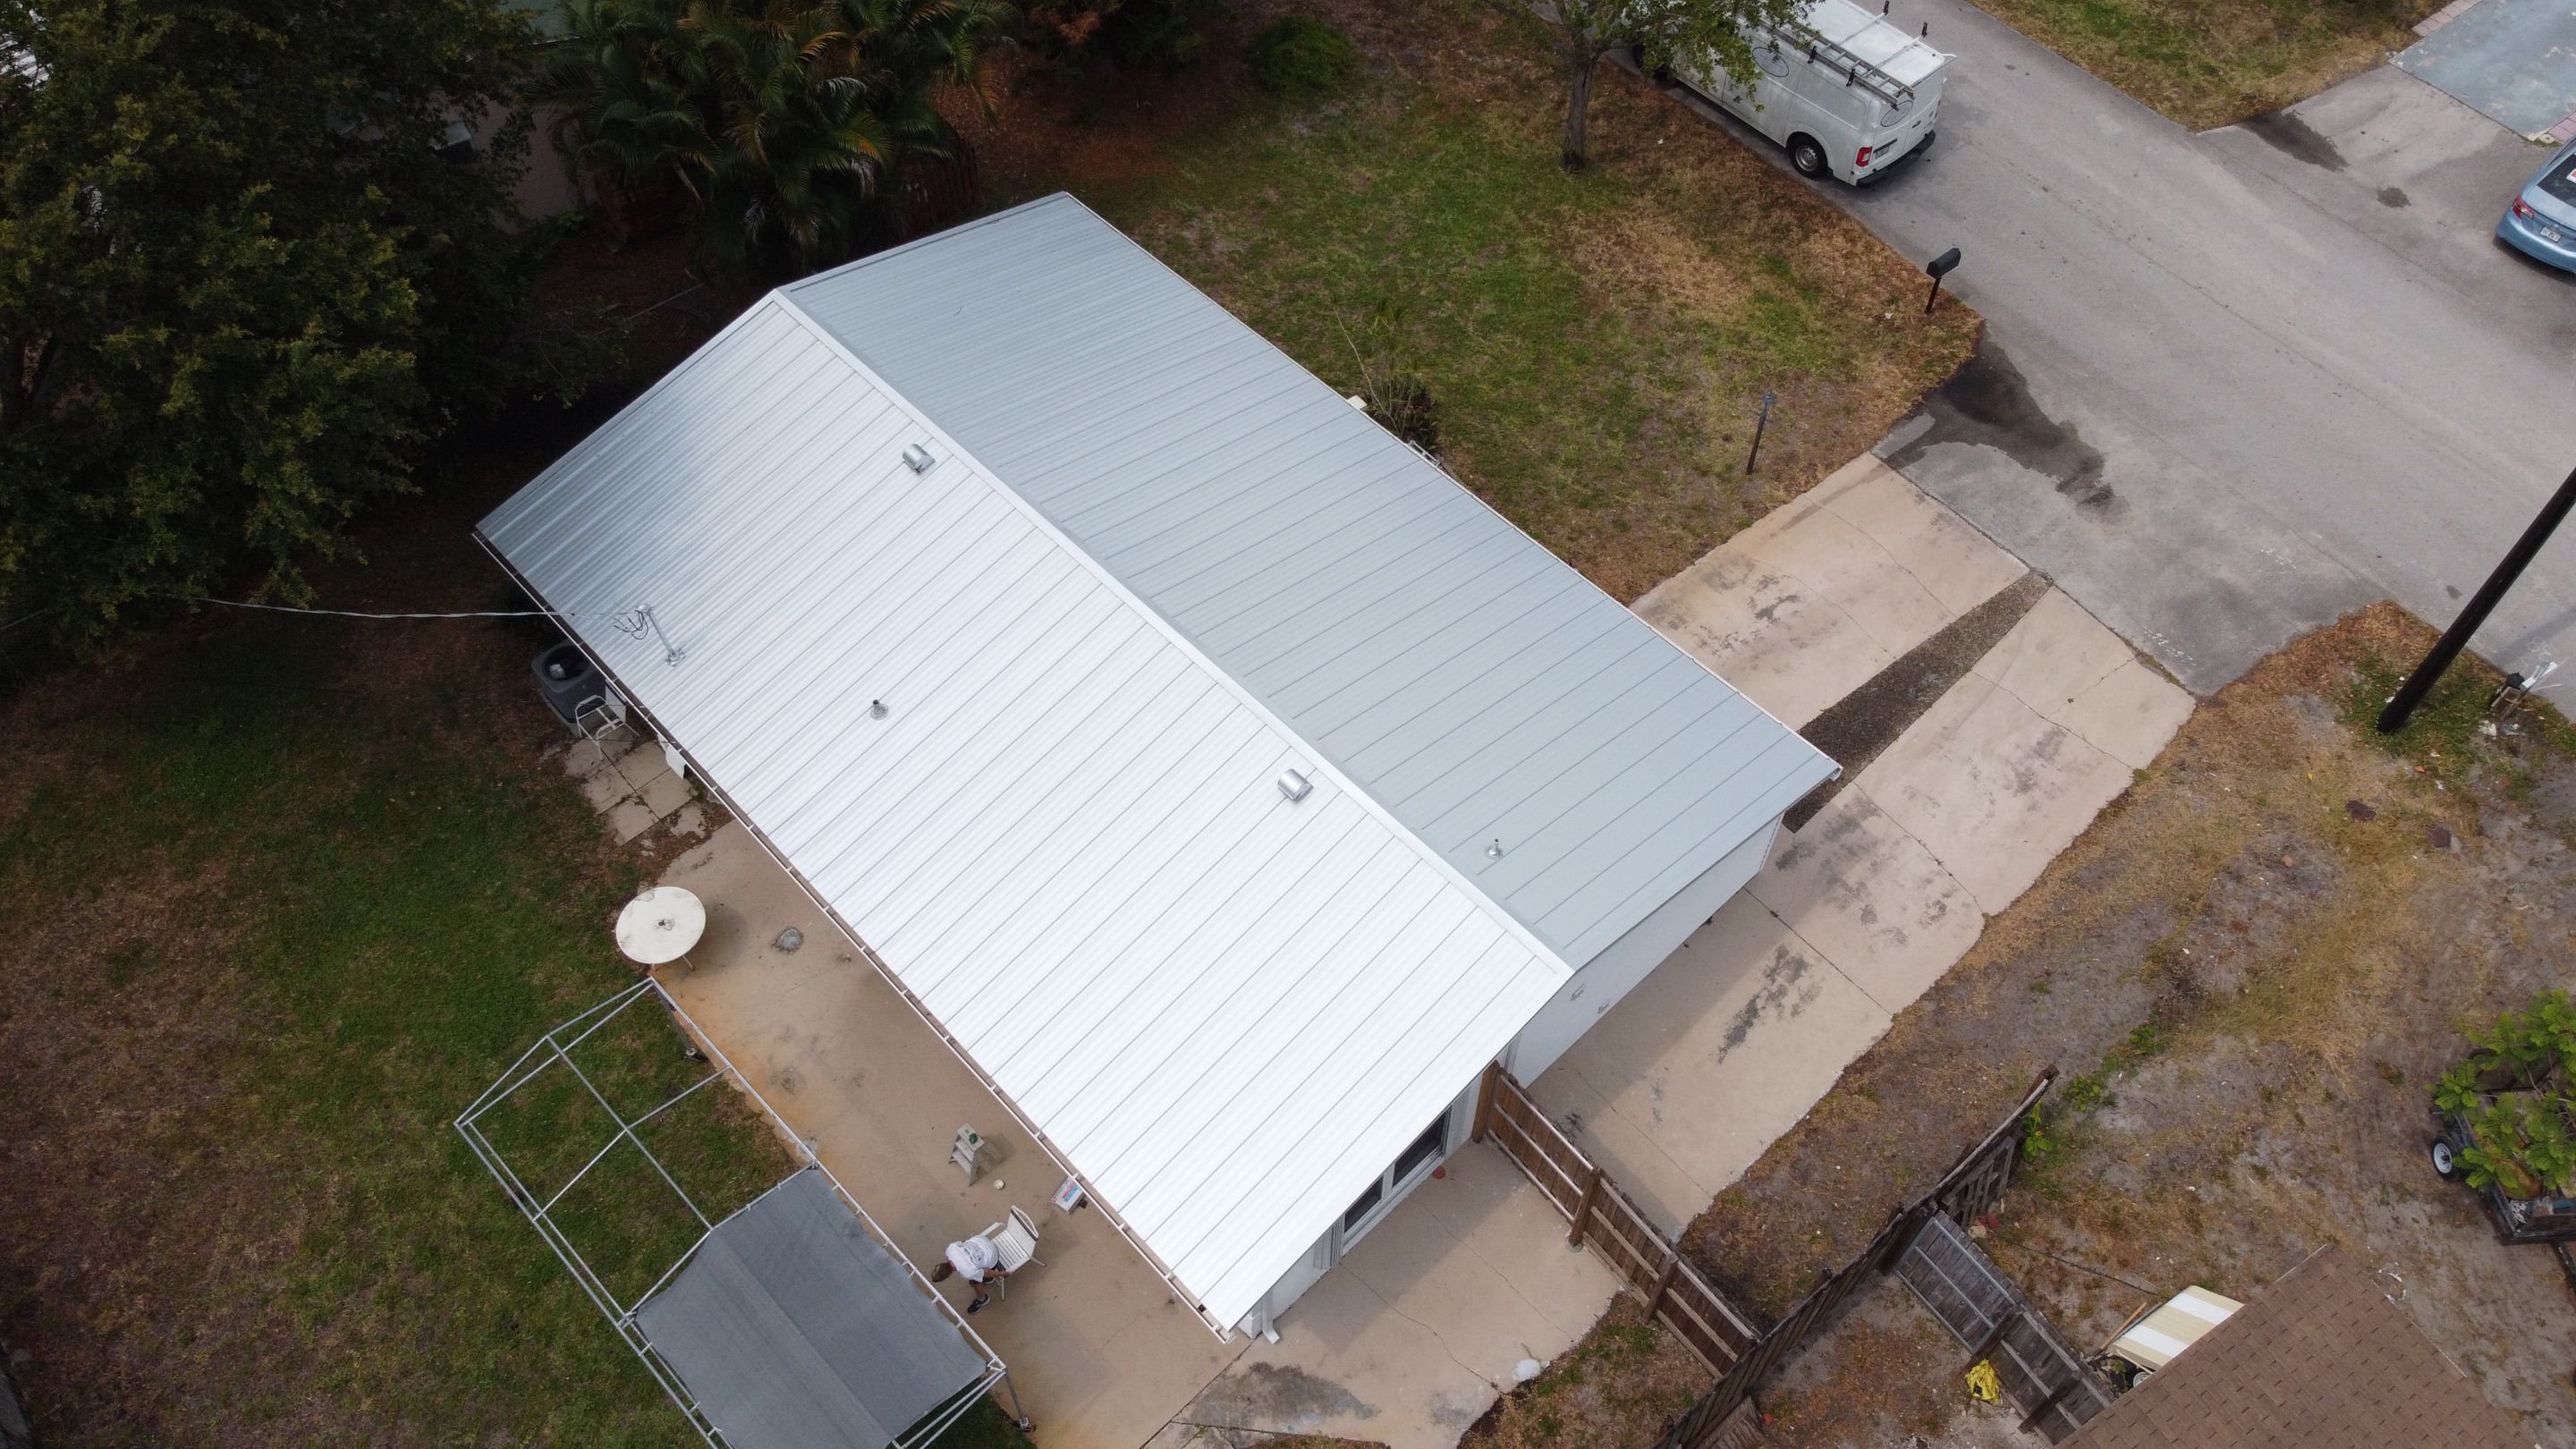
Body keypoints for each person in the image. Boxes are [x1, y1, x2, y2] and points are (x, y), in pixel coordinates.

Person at [931, 1233, 1008, 1313]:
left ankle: (983, 1299)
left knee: (976, 1281)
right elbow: (964, 1242)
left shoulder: (967, 1273)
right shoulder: (950, 1248)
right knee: (976, 1272)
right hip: (982, 1240)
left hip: (993, 1253)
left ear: (948, 1276)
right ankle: (987, 1279)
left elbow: (988, 1272)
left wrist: (1002, 1274)